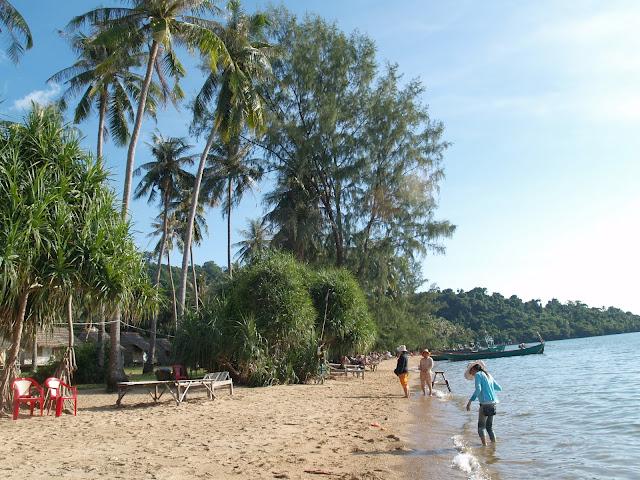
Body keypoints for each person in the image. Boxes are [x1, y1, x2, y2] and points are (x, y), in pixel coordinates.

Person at [465, 360, 502, 446]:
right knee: (489, 428)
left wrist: (470, 402)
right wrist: (489, 387)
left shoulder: (478, 375)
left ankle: (484, 446)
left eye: (470, 371)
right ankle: (494, 446)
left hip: (485, 404)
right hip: (493, 404)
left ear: (474, 369)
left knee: (481, 428)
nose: (471, 374)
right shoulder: (488, 375)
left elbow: (478, 389)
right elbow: (499, 388)